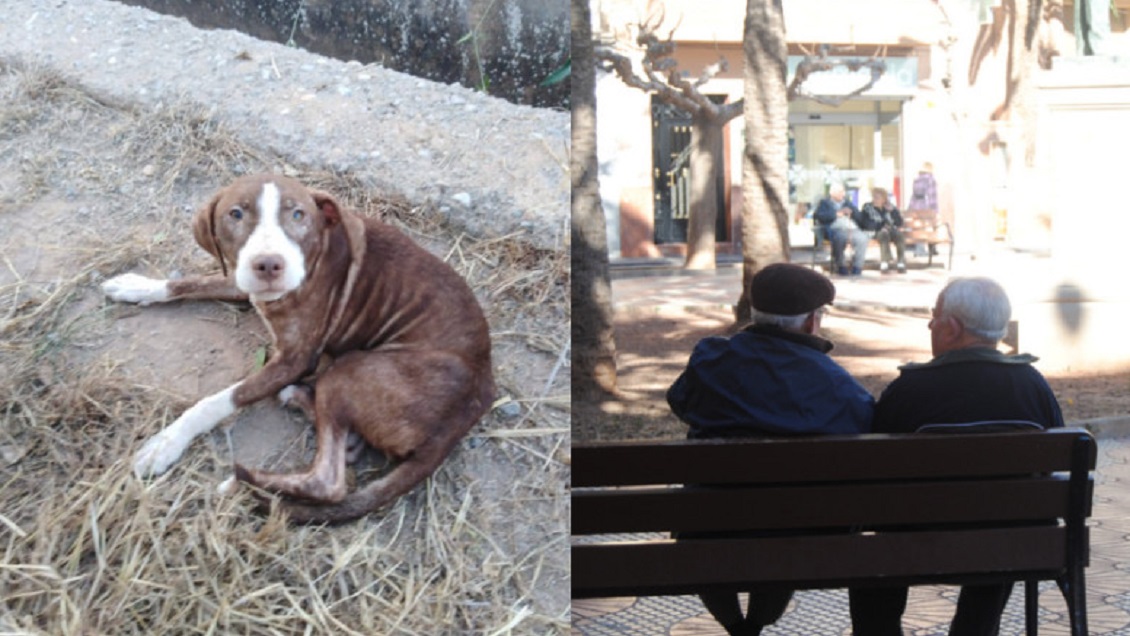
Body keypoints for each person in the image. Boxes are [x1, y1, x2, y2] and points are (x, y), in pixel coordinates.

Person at [849, 277, 1065, 636]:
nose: (930, 325)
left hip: (913, 544)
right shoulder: (1033, 385)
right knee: (1004, 520)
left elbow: (875, 472)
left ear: (951, 328)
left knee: (879, 539)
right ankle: (974, 628)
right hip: (1009, 546)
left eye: (933, 317)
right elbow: (1052, 465)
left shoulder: (909, 390)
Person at [667, 263, 875, 636]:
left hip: (708, 524)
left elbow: (681, 402)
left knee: (713, 531)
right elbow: (863, 423)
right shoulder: (835, 385)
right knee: (784, 530)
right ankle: (757, 623)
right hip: (798, 530)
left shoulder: (710, 361)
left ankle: (737, 627)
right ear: (812, 321)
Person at [814, 183, 870, 276]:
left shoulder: (847, 203)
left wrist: (853, 213)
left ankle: (857, 267)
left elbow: (859, 217)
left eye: (843, 192)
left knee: (862, 238)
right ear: (832, 193)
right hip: (834, 229)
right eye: (840, 192)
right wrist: (836, 214)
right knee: (839, 238)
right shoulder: (824, 203)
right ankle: (841, 266)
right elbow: (818, 216)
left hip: (851, 228)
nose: (843, 194)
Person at [860, 187, 907, 274]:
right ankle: (884, 263)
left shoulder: (889, 207)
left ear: (884, 199)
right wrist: (881, 226)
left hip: (890, 230)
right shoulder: (867, 207)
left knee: (899, 235)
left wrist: (893, 212)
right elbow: (865, 223)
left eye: (878, 197)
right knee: (884, 234)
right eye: (874, 197)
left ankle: (901, 262)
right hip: (874, 231)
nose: (875, 199)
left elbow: (899, 222)